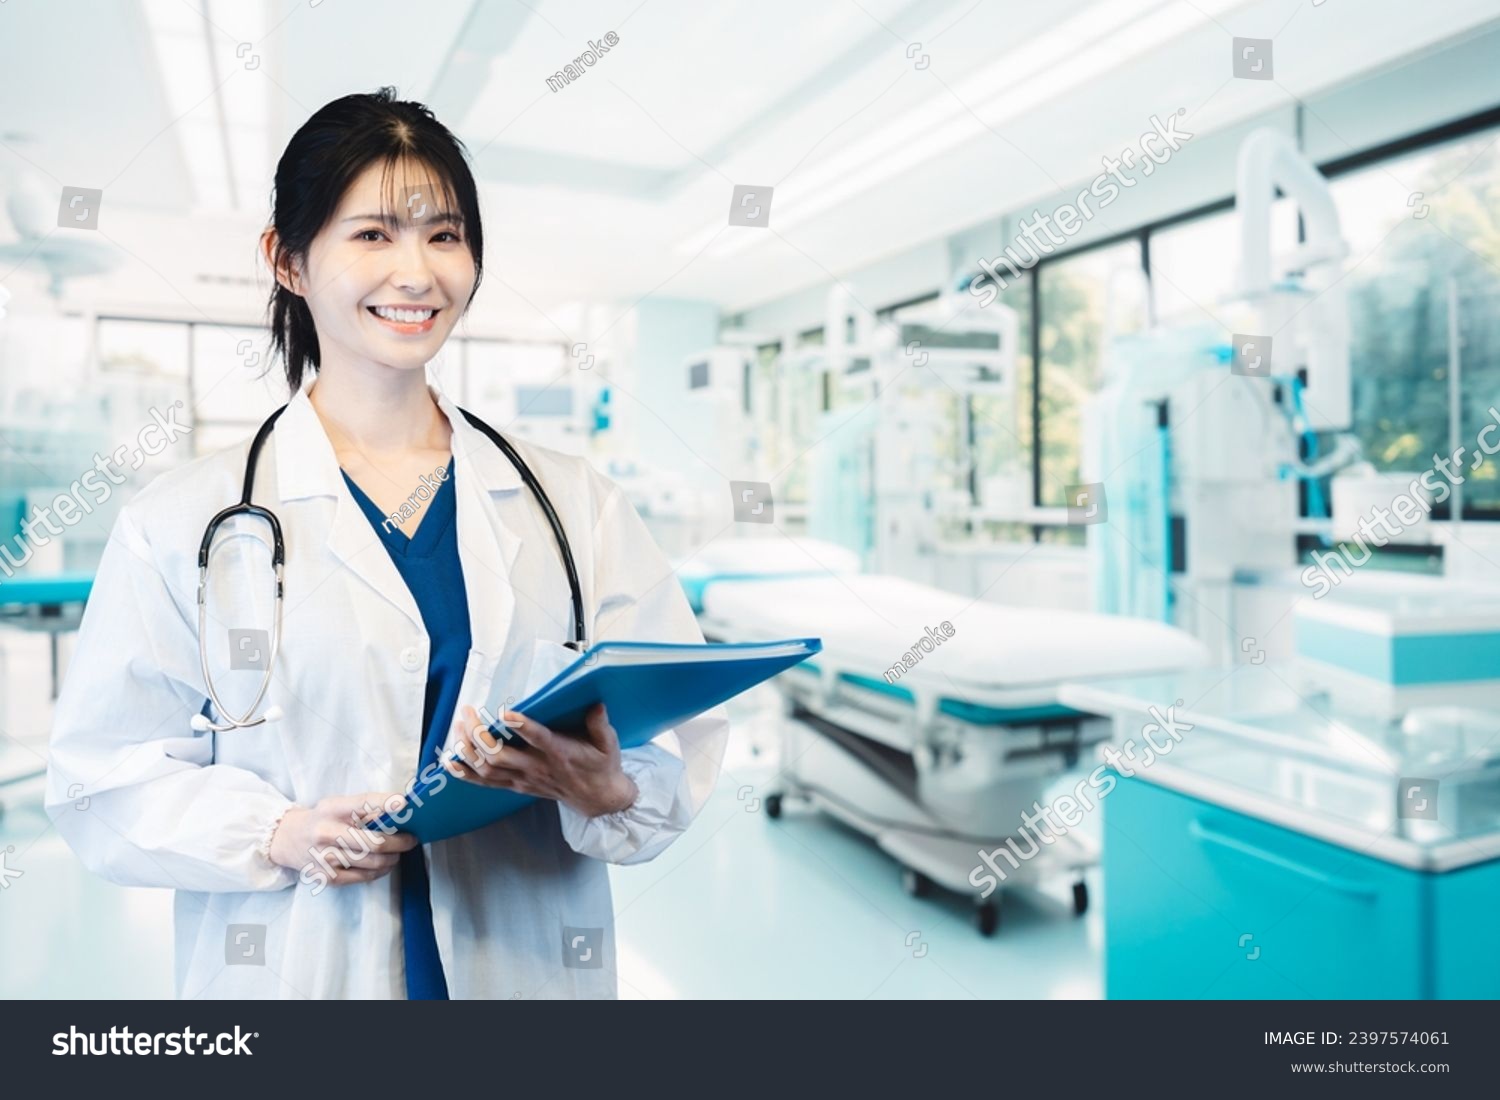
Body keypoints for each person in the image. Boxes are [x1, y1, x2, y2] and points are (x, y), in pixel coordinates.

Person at [44, 87, 728, 999]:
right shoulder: (183, 522)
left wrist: (610, 789)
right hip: (297, 967)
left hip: (523, 963)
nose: (417, 272)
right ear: (287, 260)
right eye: (373, 235)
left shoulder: (574, 505)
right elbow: (103, 776)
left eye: (444, 236)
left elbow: (669, 740)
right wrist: (277, 832)